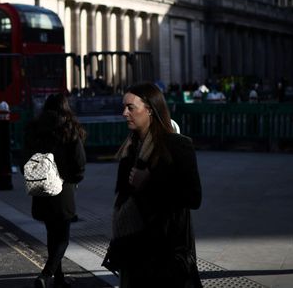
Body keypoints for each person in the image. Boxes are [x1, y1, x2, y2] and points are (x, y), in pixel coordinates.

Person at [104, 82, 202, 288]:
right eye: (124, 107)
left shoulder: (178, 145)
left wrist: (149, 181)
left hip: (166, 249)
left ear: (149, 110)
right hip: (133, 248)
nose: (124, 113)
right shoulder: (129, 148)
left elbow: (193, 197)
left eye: (131, 107)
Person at [24, 93, 86, 288]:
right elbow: (79, 161)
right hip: (63, 188)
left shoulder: (35, 129)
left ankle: (58, 278)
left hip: (41, 187)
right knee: (63, 238)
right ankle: (46, 275)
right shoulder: (68, 128)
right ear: (65, 108)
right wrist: (75, 178)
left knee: (52, 234)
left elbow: (25, 156)